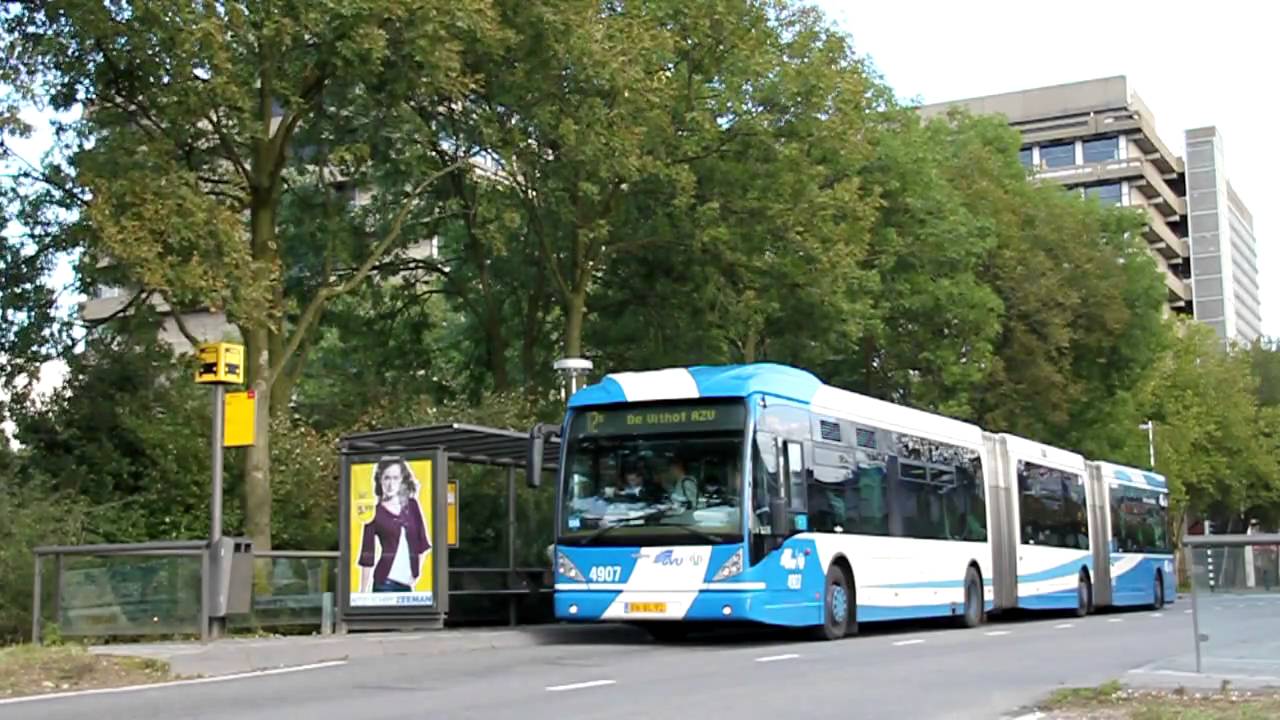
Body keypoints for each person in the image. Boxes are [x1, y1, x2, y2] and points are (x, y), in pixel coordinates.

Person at [358, 456, 431, 593]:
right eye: (386, 478)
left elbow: (423, 544)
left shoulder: (412, 506)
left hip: (407, 584)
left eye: (395, 478)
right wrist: (363, 594)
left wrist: (416, 574)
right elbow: (367, 555)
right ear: (380, 480)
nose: (391, 484)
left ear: (402, 480)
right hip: (385, 583)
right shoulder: (374, 512)